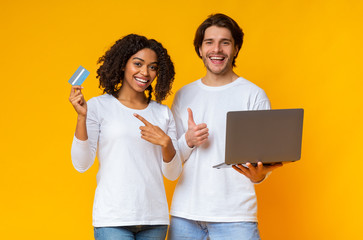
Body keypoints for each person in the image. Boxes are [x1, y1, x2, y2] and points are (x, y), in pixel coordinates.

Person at [167, 13, 282, 240]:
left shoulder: (253, 95)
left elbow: (262, 160)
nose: (216, 50)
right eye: (209, 42)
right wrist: (187, 141)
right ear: (200, 49)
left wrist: (260, 175)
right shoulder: (184, 94)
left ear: (236, 48)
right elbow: (171, 162)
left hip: (236, 216)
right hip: (185, 216)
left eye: (225, 42)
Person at [69, 34, 182, 240]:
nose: (145, 72)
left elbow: (173, 174)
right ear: (122, 65)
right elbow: (81, 163)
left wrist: (165, 143)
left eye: (153, 67)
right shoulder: (98, 106)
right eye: (138, 64)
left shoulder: (162, 113)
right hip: (113, 219)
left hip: (154, 220)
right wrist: (81, 118)